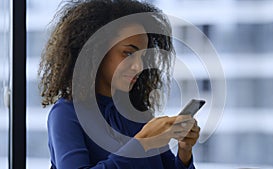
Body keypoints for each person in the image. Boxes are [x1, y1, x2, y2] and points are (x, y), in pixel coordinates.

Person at [38, 0, 200, 168]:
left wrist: (184, 152)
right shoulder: (66, 113)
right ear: (96, 51)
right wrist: (142, 143)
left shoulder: (138, 114)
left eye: (143, 57)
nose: (139, 66)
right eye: (128, 53)